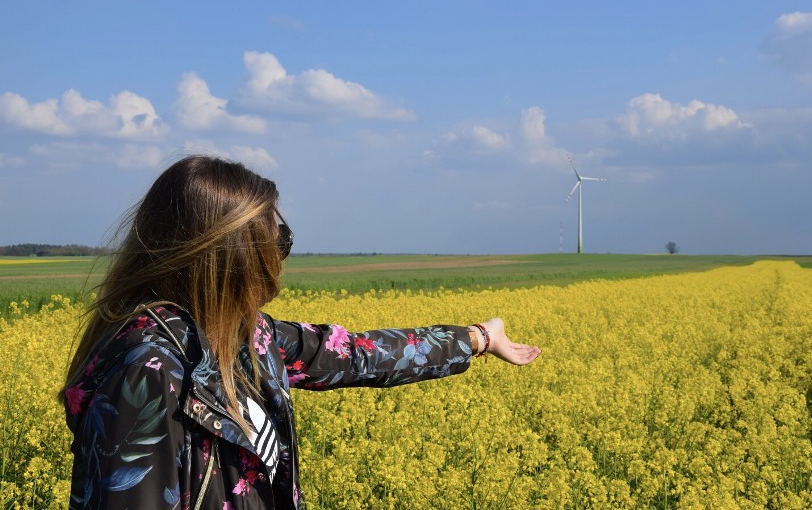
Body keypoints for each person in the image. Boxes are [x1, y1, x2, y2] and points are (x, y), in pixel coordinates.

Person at [61, 155, 541, 510]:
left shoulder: (244, 338)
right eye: (279, 239)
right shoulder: (149, 371)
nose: (283, 254)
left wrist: (479, 337)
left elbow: (356, 355)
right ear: (235, 254)